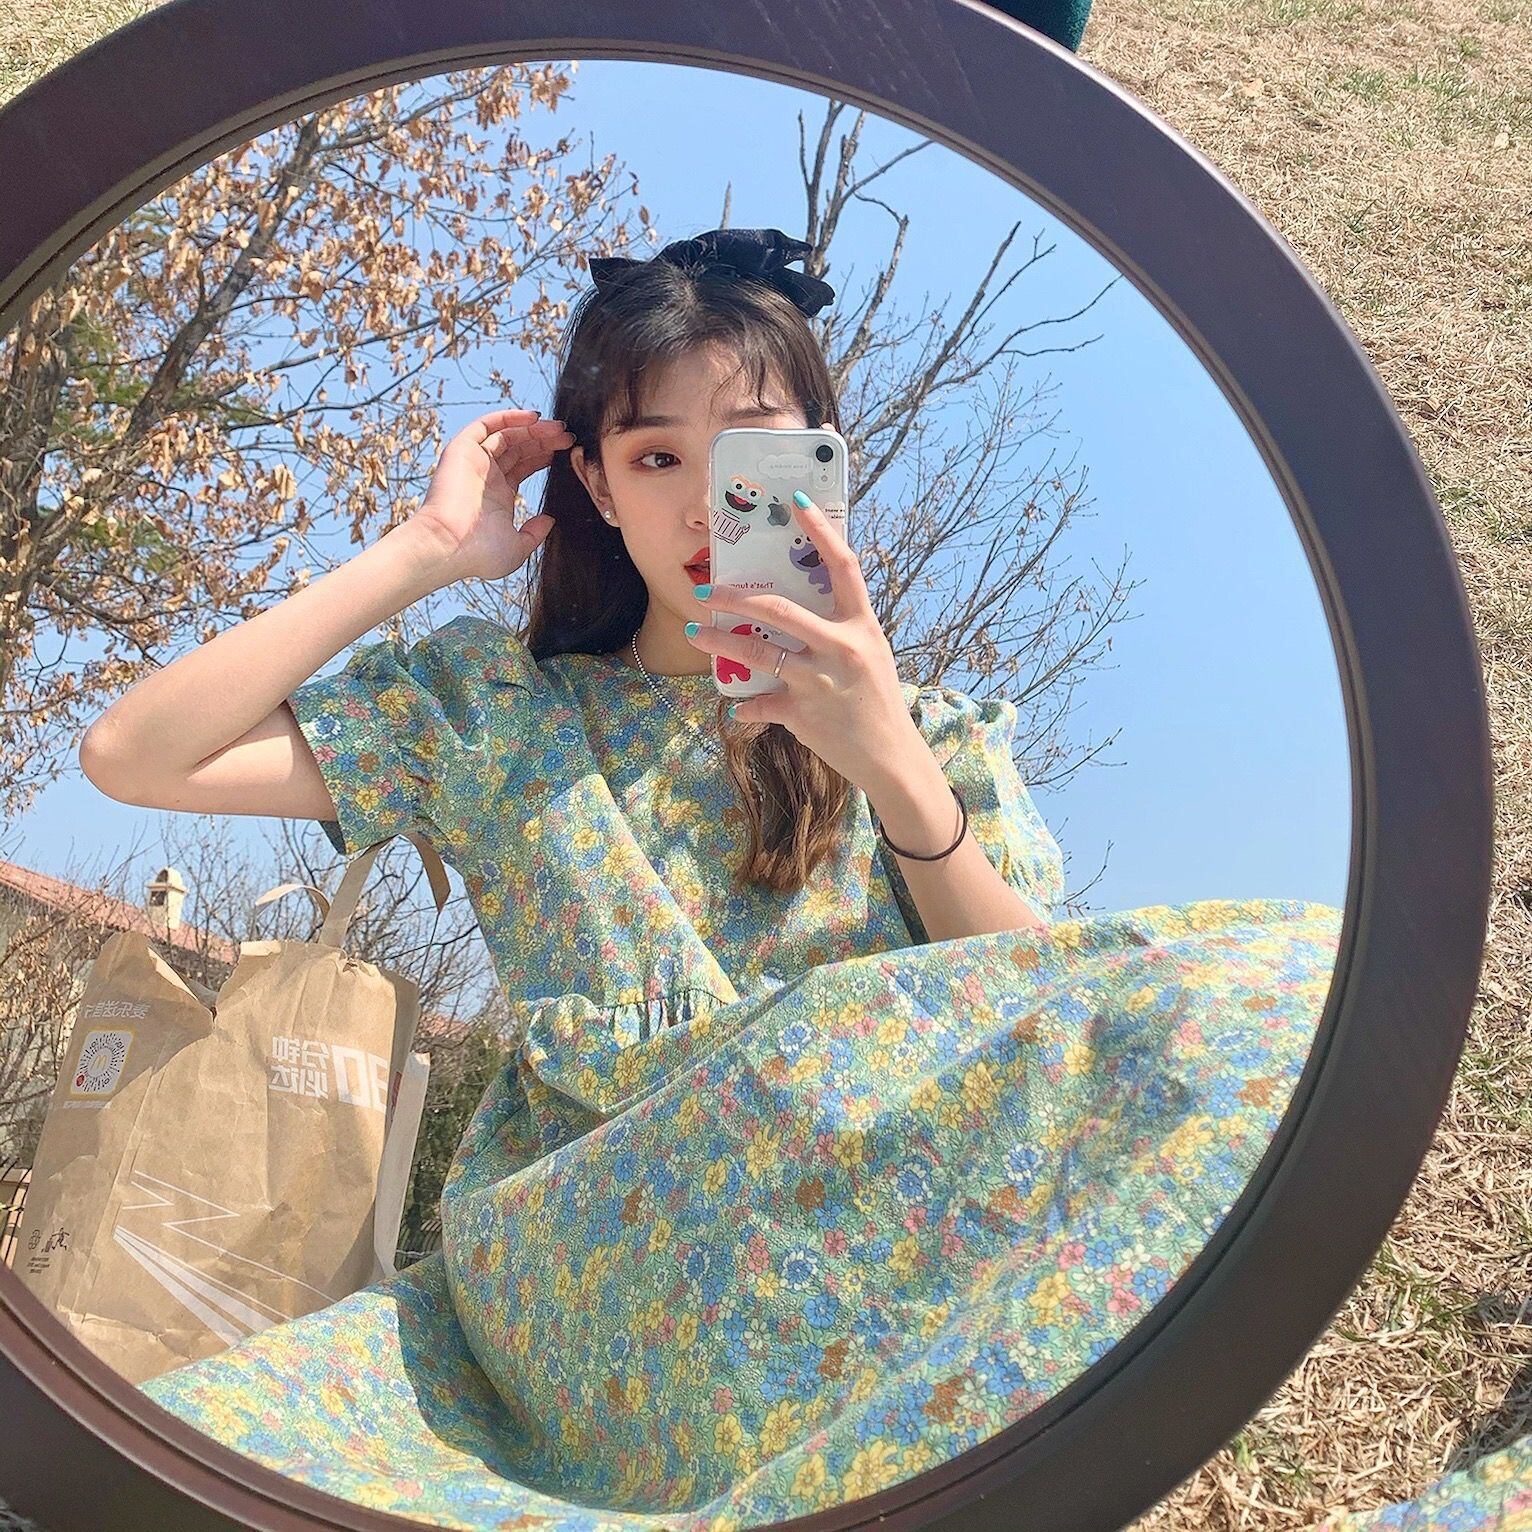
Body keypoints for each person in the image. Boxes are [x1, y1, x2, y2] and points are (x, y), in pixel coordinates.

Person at [82, 227, 1344, 1528]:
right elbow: (137, 754)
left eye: (746, 455)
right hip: (616, 1267)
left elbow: (1047, 1004)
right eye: (654, 458)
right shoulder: (499, 719)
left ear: (819, 466)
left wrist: (893, 766)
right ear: (594, 481)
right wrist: (426, 546)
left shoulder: (938, 740)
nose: (701, 508)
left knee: (1298, 987)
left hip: (875, 1239)